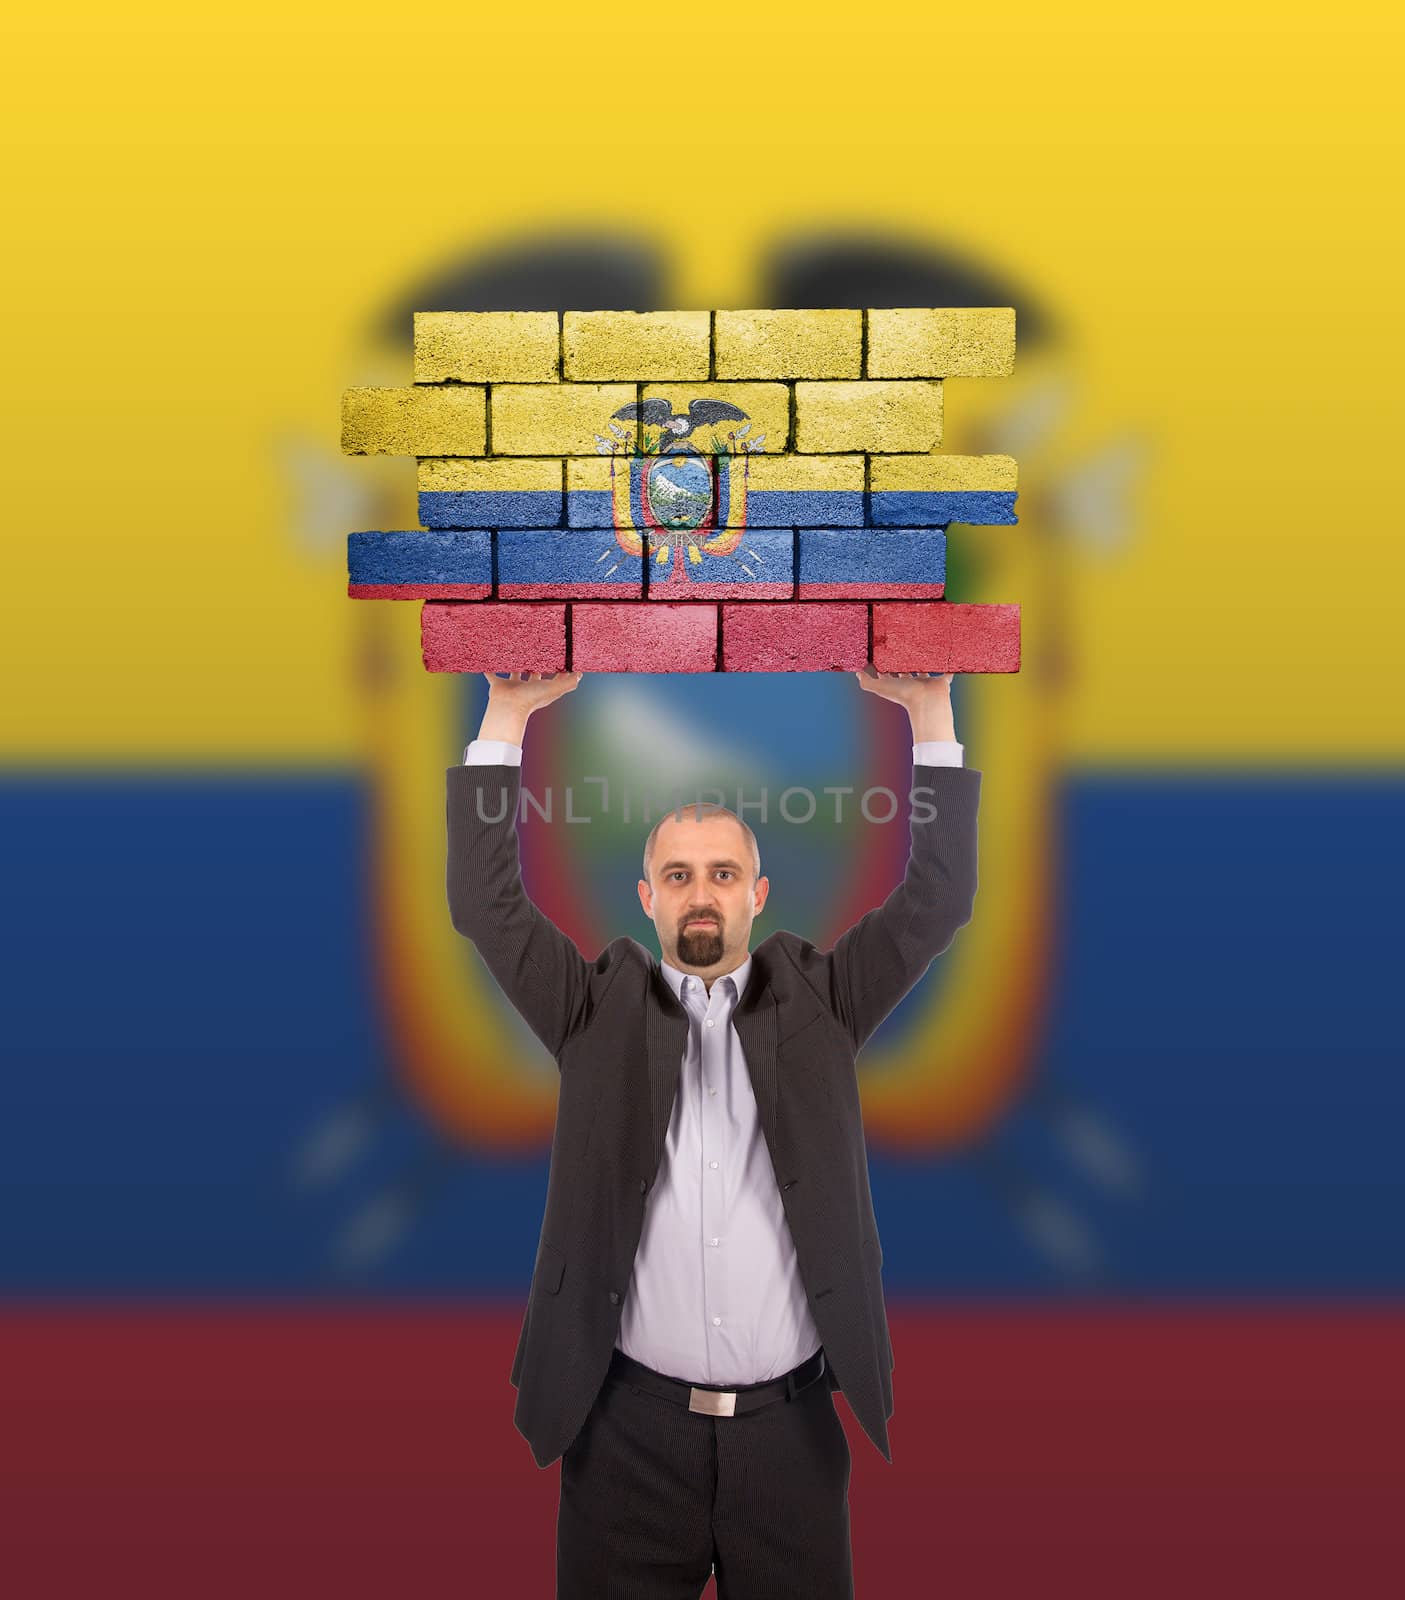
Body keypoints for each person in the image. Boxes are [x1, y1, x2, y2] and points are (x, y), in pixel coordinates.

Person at [447, 665, 981, 1599]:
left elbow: (933, 903)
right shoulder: (589, 1009)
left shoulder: (824, 999)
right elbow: (486, 908)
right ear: (645, 896)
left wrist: (928, 709)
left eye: (723, 875)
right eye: (679, 876)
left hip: (793, 1440)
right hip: (622, 1435)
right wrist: (508, 710)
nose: (703, 894)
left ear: (758, 895)